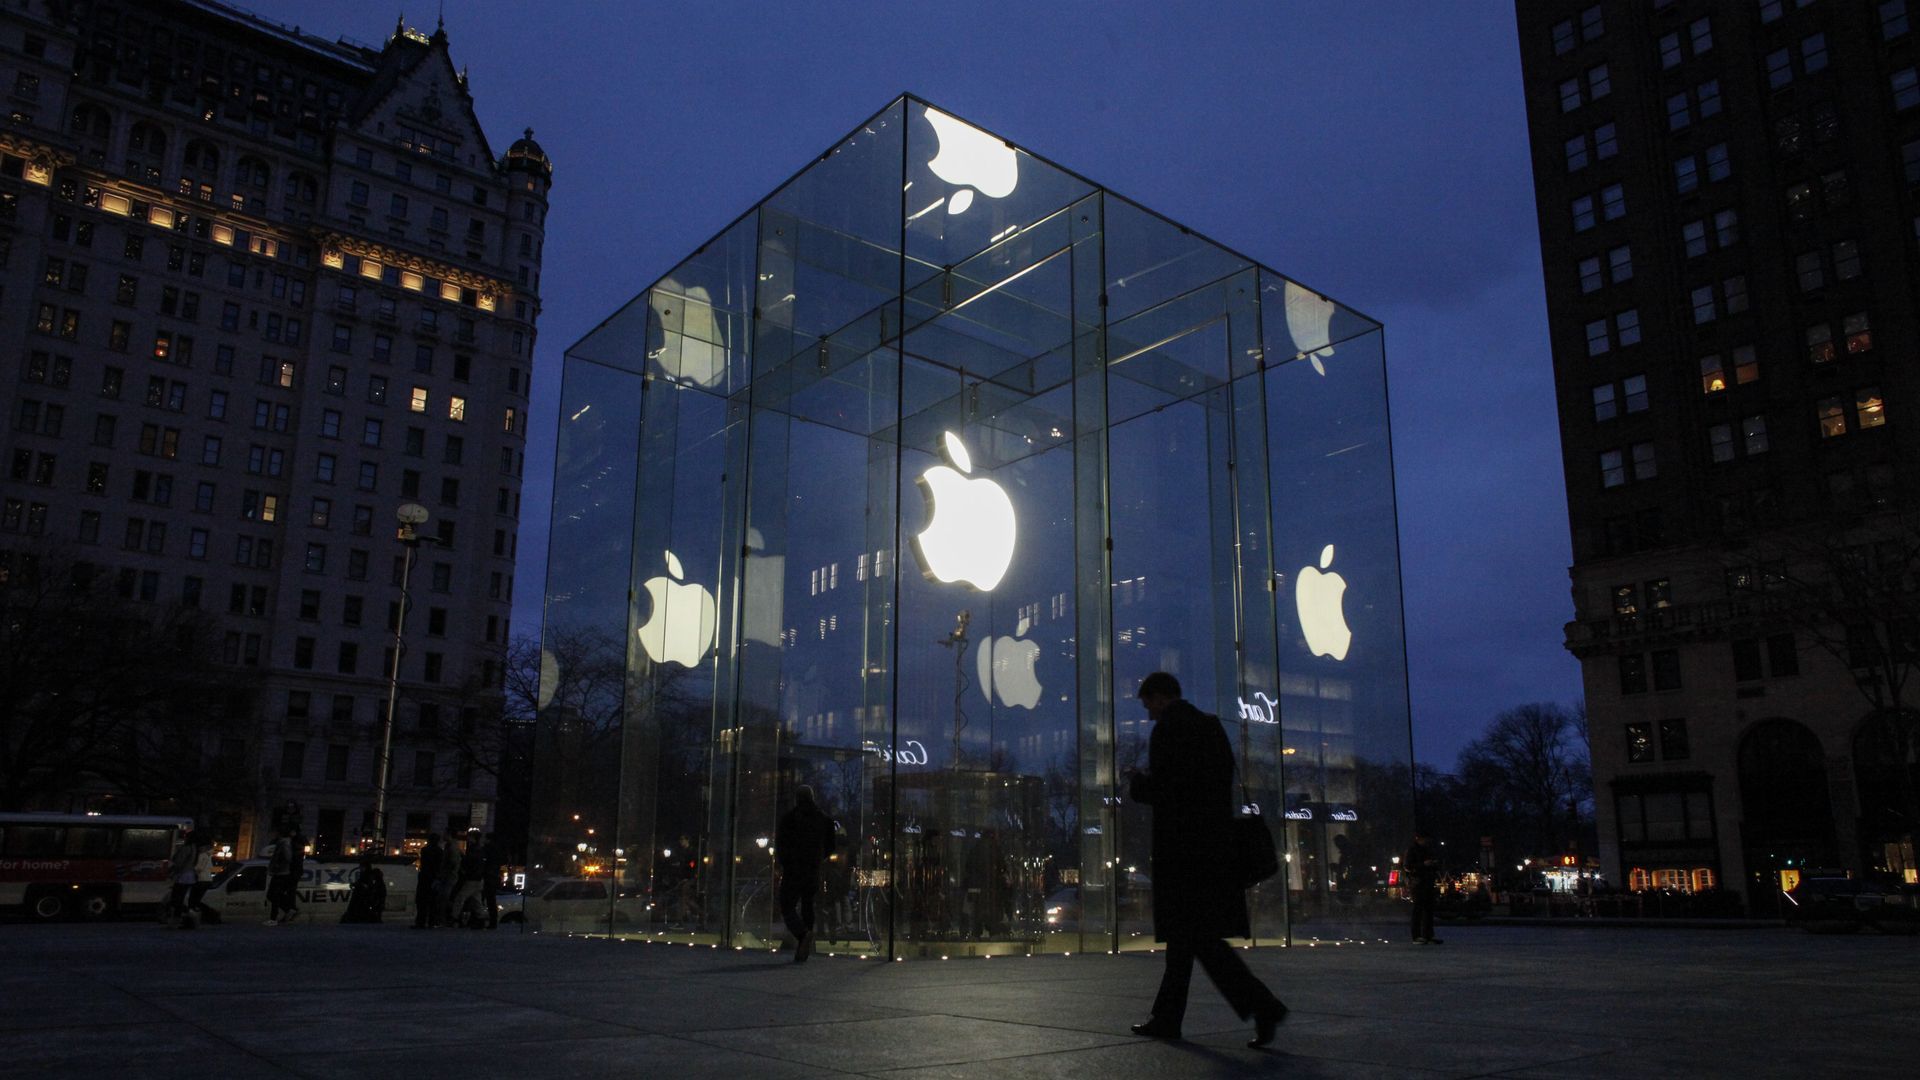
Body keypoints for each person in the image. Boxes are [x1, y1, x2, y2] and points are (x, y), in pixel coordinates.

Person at [1127, 672, 1286, 1049]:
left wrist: (1138, 783)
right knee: (1187, 942)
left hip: (1183, 854)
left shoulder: (1169, 730)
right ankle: (1166, 1018)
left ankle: (1263, 1006)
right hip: (1211, 851)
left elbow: (1169, 791)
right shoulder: (1210, 728)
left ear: (1161, 697)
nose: (1147, 711)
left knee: (1197, 940)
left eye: (1148, 702)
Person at [775, 785, 835, 962]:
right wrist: (818, 859)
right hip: (812, 869)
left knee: (787, 905)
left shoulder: (790, 819)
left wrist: (786, 862)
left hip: (794, 869)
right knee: (808, 904)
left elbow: (781, 844)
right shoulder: (823, 819)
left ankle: (803, 935)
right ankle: (805, 944)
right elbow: (830, 846)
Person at [1404, 829, 1444, 945]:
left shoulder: (1426, 849)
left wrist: (1433, 865)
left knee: (1428, 910)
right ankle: (1417, 936)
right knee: (1419, 909)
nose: (1427, 841)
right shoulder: (1412, 850)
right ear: (1419, 838)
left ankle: (1427, 935)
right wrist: (1423, 865)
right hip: (1418, 883)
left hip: (1426, 882)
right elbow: (1407, 866)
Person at [264, 827, 297, 926]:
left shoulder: (284, 843)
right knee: (274, 895)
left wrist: (278, 865)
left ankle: (274, 918)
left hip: (281, 873)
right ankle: (288, 909)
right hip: (281, 872)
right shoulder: (284, 843)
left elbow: (287, 857)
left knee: (274, 895)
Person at [342, 854, 387, 924]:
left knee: (359, 910)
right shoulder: (366, 875)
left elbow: (366, 885)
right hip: (362, 897)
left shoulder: (367, 876)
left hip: (362, 897)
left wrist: (357, 886)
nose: (360, 868)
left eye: (361, 867)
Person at [450, 835, 484, 927]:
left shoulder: (473, 850)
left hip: (471, 878)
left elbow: (469, 861)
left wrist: (462, 857)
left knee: (460, 898)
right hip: (478, 878)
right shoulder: (479, 850)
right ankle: (481, 918)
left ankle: (454, 917)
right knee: (476, 899)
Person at [414, 833, 443, 929]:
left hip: (424, 877)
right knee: (433, 901)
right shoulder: (439, 851)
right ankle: (431, 921)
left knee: (422, 900)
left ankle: (420, 921)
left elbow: (423, 864)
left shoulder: (425, 850)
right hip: (434, 877)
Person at [481, 834, 503, 929]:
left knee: (485, 899)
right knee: (491, 900)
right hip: (493, 876)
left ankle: (482, 920)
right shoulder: (497, 850)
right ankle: (493, 921)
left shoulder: (487, 849)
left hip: (488, 876)